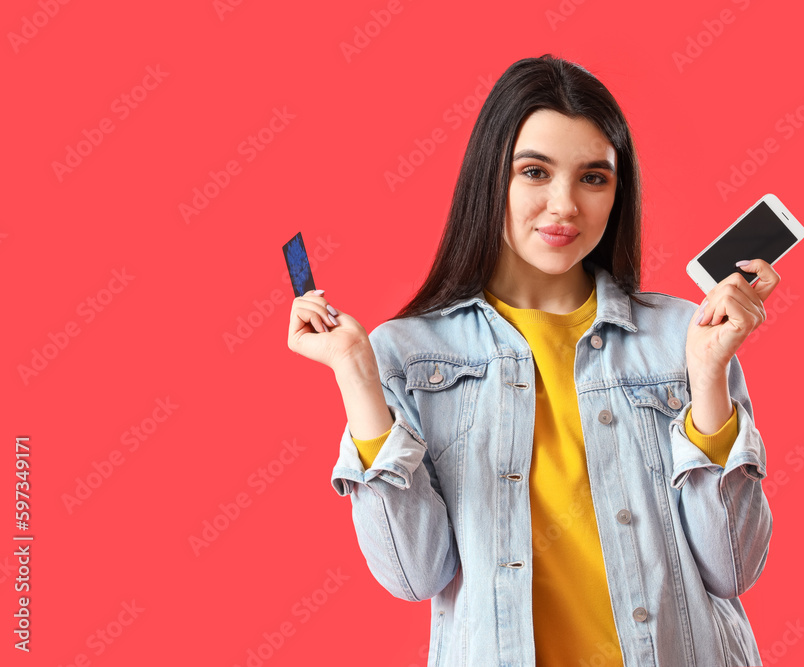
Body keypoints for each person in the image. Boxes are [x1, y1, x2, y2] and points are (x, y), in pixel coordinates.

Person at [287, 54, 777, 666]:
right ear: (491, 178)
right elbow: (413, 573)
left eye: (593, 178)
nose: (565, 204)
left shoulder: (687, 335)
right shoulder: (408, 354)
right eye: (535, 172)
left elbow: (732, 566)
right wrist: (358, 377)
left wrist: (707, 379)